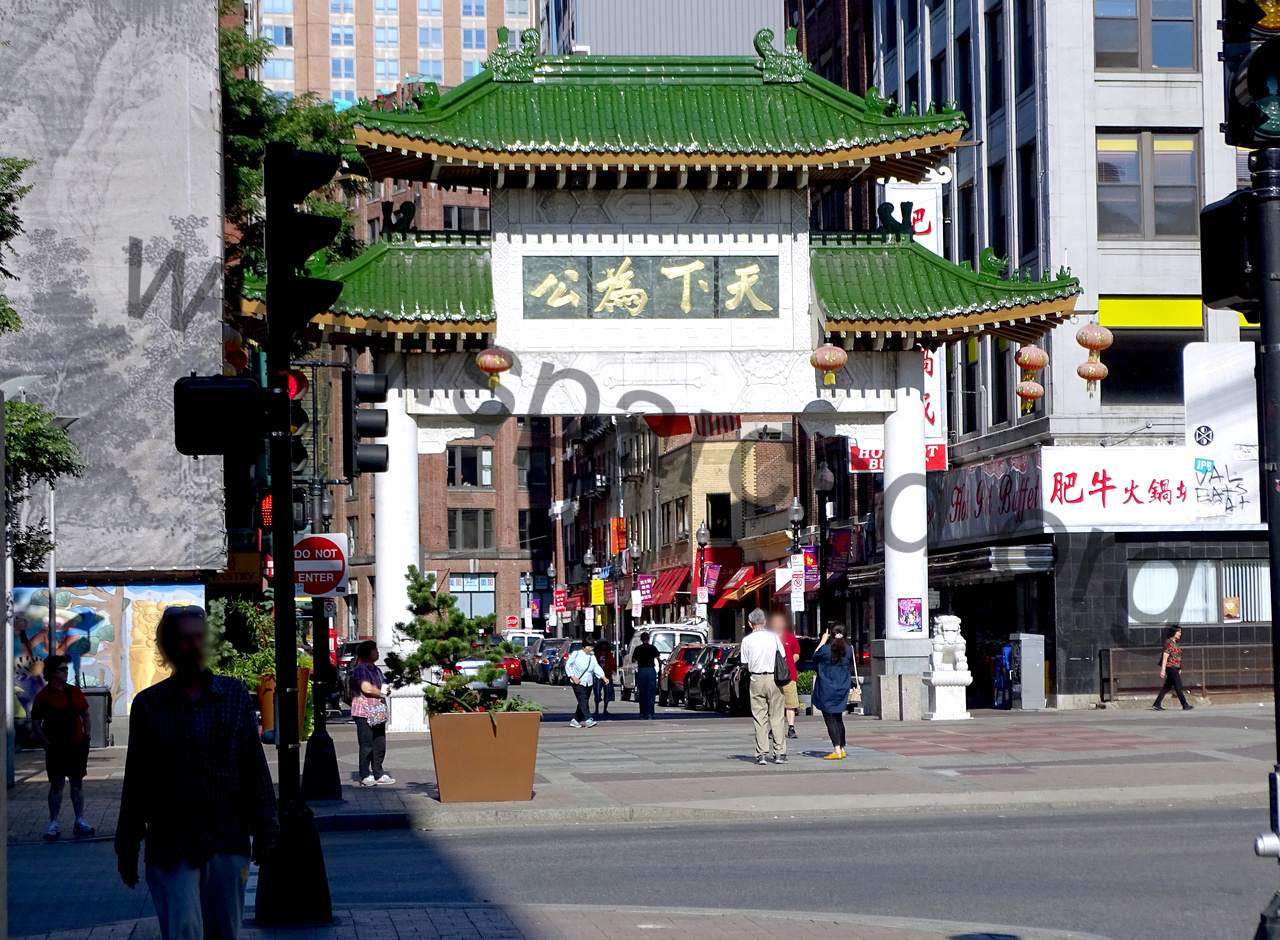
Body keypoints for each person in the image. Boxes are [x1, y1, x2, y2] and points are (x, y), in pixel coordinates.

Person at [115, 606, 277, 940]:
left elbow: (253, 766)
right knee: (184, 928)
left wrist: (265, 829)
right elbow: (137, 782)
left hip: (226, 838)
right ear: (168, 646)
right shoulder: (149, 704)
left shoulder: (232, 696)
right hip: (170, 842)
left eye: (199, 637)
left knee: (224, 932)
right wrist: (128, 845)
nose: (193, 645)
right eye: (185, 638)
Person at [31, 655, 94, 839]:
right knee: (57, 784)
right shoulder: (43, 697)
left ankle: (79, 820)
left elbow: (86, 714)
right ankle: (53, 822)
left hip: (76, 745)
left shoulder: (75, 692)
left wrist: (86, 737)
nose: (66, 672)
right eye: (62, 669)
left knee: (77, 782)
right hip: (56, 748)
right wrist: (47, 743)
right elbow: (35, 723)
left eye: (67, 669)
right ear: (52, 673)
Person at [740, 608, 788, 765]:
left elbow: (744, 662)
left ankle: (762, 754)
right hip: (774, 678)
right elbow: (783, 655)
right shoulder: (773, 636)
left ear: (749, 623)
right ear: (765, 622)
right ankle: (780, 753)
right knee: (777, 716)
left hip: (756, 679)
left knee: (759, 717)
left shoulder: (746, 640)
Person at [351, 641, 394, 785]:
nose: (377, 652)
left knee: (379, 744)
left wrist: (386, 689)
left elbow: (381, 685)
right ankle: (365, 774)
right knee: (367, 744)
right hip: (364, 712)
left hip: (378, 713)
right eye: (374, 649)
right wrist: (382, 692)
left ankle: (378, 773)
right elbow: (366, 688)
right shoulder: (361, 668)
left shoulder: (376, 669)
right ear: (368, 652)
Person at [812, 626, 854, 759]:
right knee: (838, 718)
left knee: (830, 719)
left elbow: (815, 656)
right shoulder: (849, 649)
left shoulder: (825, 650)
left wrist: (822, 641)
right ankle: (841, 747)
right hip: (843, 686)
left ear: (830, 634)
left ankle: (836, 749)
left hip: (827, 687)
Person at [770, 611, 801, 739]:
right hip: (773, 676)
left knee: (791, 704)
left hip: (789, 677)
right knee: (774, 704)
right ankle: (774, 728)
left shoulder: (790, 637)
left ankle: (791, 727)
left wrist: (786, 667)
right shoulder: (770, 638)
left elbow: (796, 654)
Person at [565, 637, 607, 728]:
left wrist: (603, 677)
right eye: (589, 646)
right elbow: (568, 666)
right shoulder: (576, 654)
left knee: (583, 701)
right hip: (577, 681)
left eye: (592, 647)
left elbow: (596, 667)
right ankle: (588, 719)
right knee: (583, 700)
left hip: (588, 682)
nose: (591, 648)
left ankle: (575, 720)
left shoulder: (592, 656)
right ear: (584, 646)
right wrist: (573, 677)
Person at [1153, 626, 1194, 711]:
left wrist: (1179, 667)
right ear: (1174, 632)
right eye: (1178, 632)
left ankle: (1157, 703)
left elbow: (1177, 656)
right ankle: (1184, 704)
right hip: (1171, 667)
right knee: (1178, 686)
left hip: (1175, 667)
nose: (1180, 634)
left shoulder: (1175, 643)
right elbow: (1165, 656)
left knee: (1167, 687)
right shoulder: (1169, 643)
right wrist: (1163, 670)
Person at [632, 632, 660, 719]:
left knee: (642, 692)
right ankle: (650, 711)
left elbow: (633, 660)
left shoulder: (638, 648)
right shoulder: (652, 648)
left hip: (642, 670)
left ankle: (643, 711)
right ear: (648, 639)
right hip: (651, 670)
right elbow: (658, 659)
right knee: (651, 692)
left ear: (641, 639)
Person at [593, 640, 616, 717]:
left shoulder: (609, 654)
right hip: (598, 675)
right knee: (597, 691)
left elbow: (612, 664)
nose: (604, 646)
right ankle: (596, 708)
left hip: (607, 674)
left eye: (605, 645)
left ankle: (605, 708)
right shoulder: (596, 655)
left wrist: (608, 668)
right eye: (602, 645)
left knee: (607, 692)